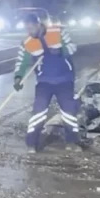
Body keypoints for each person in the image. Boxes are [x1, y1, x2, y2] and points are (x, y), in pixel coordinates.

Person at [12, 14, 79, 152]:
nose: (29, 31)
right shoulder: (28, 43)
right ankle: (31, 144)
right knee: (38, 112)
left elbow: (73, 47)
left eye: (31, 28)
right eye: (27, 29)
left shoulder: (57, 32)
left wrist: (61, 51)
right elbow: (21, 62)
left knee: (69, 113)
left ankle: (71, 142)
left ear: (38, 24)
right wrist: (18, 78)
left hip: (64, 80)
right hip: (44, 82)